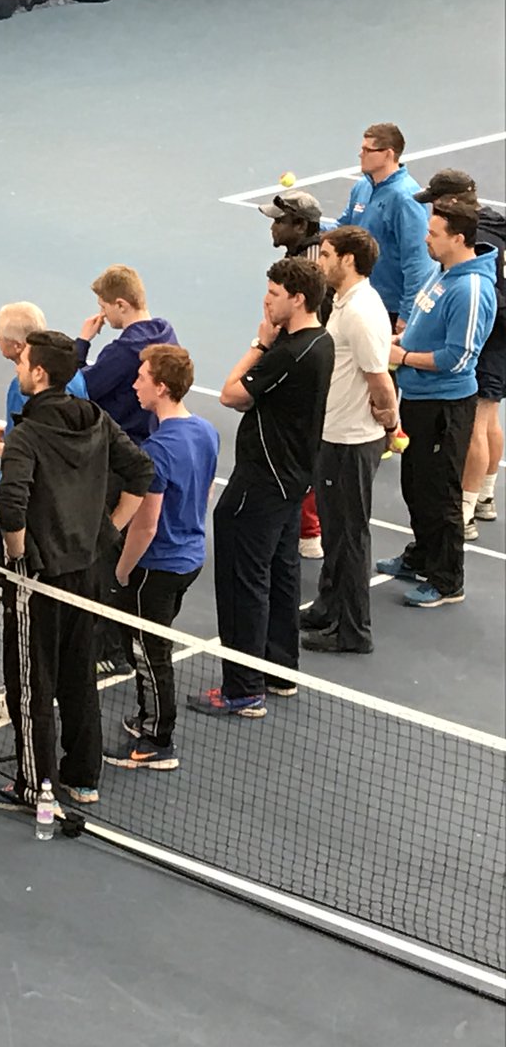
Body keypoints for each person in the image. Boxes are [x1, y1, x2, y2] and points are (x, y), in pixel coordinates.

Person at [0, 330, 153, 812]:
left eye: (23, 364)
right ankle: (83, 778)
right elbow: (140, 470)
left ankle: (33, 783)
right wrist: (107, 532)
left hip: (39, 576)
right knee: (78, 674)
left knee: (30, 679)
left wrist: (17, 556)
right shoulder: (97, 419)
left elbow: (11, 506)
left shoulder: (28, 434)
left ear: (39, 373)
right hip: (87, 571)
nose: (18, 369)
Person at [210, 260, 334, 713]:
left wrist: (259, 343)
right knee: (282, 575)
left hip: (262, 481)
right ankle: (279, 669)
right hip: (293, 480)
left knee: (244, 580)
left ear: (297, 298)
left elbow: (231, 394)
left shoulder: (289, 352)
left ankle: (242, 689)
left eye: (273, 293)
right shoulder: (322, 341)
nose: (266, 300)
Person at [0, 301, 88, 724]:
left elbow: (37, 453)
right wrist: (8, 433)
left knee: (21, 613)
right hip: (65, 519)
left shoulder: (23, 386)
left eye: (1, 337)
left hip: (27, 517)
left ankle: (19, 692)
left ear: (16, 345)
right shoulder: (71, 383)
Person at [104, 345, 219, 769]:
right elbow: (205, 490)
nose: (135, 384)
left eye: (143, 378)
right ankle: (147, 717)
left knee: (149, 651)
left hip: (158, 566)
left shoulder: (155, 451)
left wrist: (119, 572)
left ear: (162, 388)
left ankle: (157, 740)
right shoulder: (206, 431)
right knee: (151, 646)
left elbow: (145, 526)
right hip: (190, 558)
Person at [381, 197, 498, 609]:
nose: (426, 239)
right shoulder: (444, 272)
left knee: (440, 494)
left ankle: (448, 580)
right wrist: (403, 340)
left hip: (444, 408)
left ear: (458, 238)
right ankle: (422, 556)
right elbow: (423, 325)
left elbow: (458, 357)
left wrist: (404, 358)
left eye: (434, 234)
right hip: (418, 399)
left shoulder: (470, 288)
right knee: (415, 486)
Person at [300, 228, 396, 655]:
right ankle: (327, 607)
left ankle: (354, 631)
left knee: (349, 536)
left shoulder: (360, 312)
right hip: (334, 434)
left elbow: (379, 379)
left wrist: (390, 422)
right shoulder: (344, 303)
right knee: (336, 530)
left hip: (351, 441)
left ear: (349, 261)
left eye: (326, 255)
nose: (320, 262)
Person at [412, 171, 506, 536]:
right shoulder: (495, 225)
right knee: (489, 414)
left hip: (485, 330)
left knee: (476, 424)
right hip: (498, 332)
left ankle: (463, 512)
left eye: (436, 202)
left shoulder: (469, 241)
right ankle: (484, 495)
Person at [259, 187, 333, 558]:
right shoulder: (299, 256)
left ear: (301, 224)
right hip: (294, 354)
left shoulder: (312, 267)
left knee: (304, 445)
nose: (272, 228)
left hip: (308, 363)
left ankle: (310, 531)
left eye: (279, 221)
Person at [337, 122, 433, 328]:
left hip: (390, 308)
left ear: (388, 154)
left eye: (367, 150)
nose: (360, 154)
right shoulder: (362, 186)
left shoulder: (406, 199)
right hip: (360, 296)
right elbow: (344, 229)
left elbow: (417, 261)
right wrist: (311, 226)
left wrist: (407, 314)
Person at [73, 265, 178, 443]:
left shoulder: (122, 351)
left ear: (121, 305)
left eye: (104, 306)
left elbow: (78, 388)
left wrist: (82, 342)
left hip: (119, 445)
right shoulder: (167, 333)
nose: (102, 314)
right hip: (155, 436)